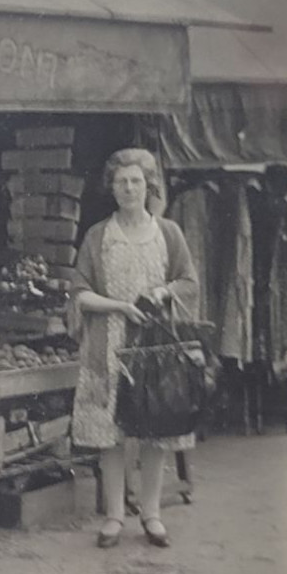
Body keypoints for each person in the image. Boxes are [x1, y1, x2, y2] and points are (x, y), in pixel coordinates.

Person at [70, 148, 200, 549]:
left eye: (136, 181)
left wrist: (163, 290)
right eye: (121, 182)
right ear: (111, 188)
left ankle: (151, 514)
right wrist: (120, 306)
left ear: (149, 186)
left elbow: (189, 283)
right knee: (109, 433)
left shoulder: (169, 233)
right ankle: (113, 516)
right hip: (107, 343)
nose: (129, 188)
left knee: (155, 428)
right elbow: (79, 293)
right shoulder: (97, 236)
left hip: (155, 344)